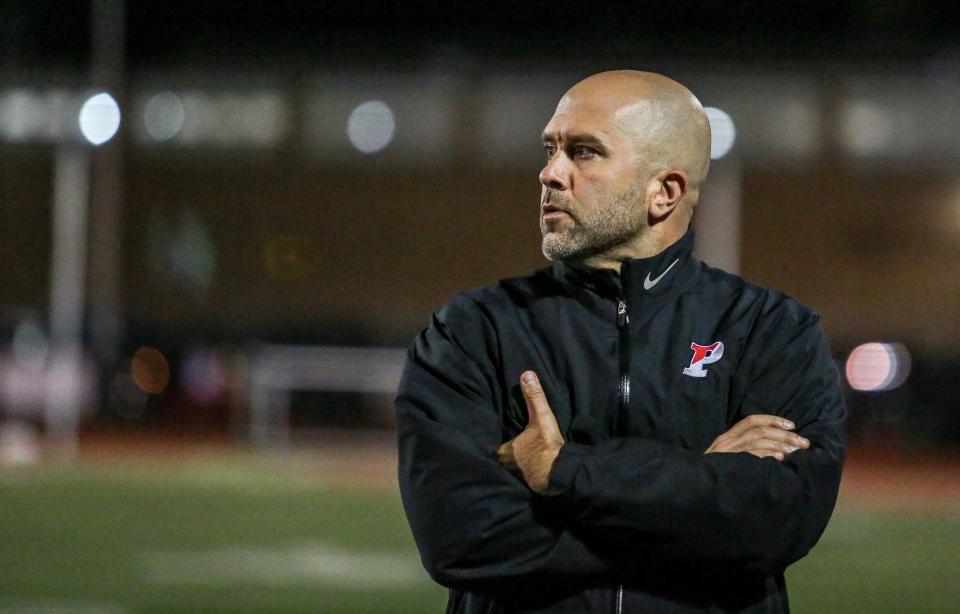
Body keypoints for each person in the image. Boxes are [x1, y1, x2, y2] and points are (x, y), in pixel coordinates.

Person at [395, 70, 845, 613]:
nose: (549, 173)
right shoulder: (472, 330)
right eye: (550, 149)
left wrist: (562, 471)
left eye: (583, 152)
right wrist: (701, 485)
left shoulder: (772, 331)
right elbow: (462, 538)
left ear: (664, 192)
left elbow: (777, 523)